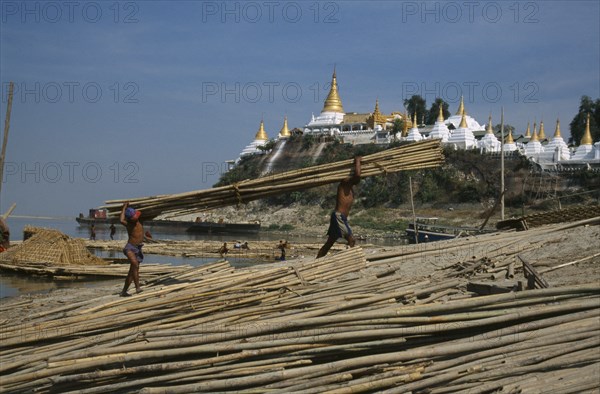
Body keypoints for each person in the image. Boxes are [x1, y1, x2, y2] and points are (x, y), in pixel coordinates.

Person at [317, 156, 361, 258]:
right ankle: (350, 260)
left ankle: (317, 260)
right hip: (339, 217)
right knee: (351, 240)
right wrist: (358, 161)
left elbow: (357, 179)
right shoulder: (344, 183)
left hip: (339, 217)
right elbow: (357, 176)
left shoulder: (348, 186)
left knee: (329, 243)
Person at [119, 202, 144, 297]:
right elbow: (121, 219)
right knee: (135, 264)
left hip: (138, 248)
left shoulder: (139, 220)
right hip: (129, 248)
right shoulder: (128, 224)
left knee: (131, 272)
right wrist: (124, 207)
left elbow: (141, 212)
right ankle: (137, 287)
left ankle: (123, 292)